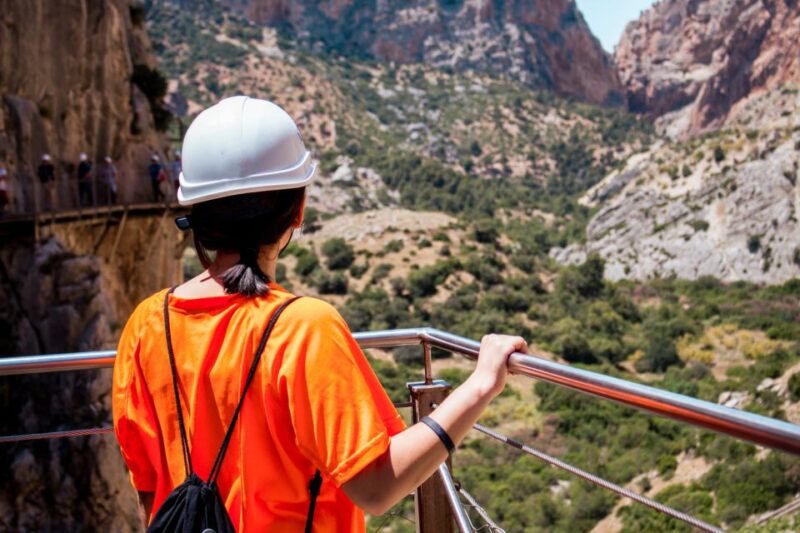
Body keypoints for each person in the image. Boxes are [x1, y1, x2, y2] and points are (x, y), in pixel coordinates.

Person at [112, 96, 528, 532]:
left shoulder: (146, 324)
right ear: (298, 211)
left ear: (195, 215)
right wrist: (481, 384)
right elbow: (377, 487)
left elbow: (149, 492)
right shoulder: (302, 327)